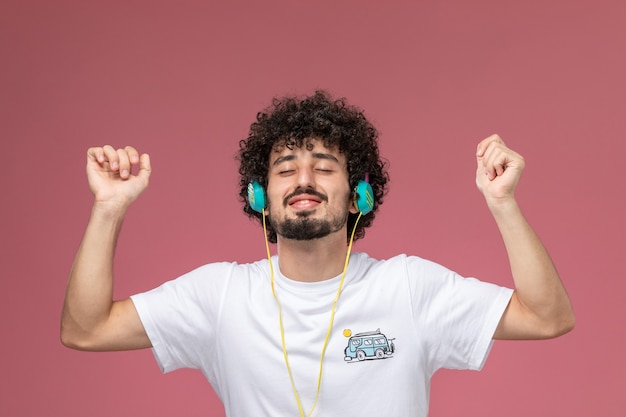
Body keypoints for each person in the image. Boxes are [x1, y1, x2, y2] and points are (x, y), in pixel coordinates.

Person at [61, 90, 575, 416]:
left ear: (359, 195)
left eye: (325, 165)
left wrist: (503, 204)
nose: (303, 178)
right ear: (260, 195)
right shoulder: (219, 296)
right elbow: (86, 329)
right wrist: (108, 209)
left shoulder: (409, 288)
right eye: (284, 167)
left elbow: (549, 317)